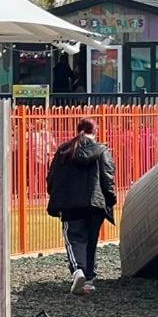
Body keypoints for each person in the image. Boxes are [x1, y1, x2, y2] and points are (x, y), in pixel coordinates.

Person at [46, 118, 116, 296]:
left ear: (78, 130)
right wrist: (110, 199)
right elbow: (108, 177)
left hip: (70, 204)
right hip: (95, 204)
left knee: (74, 239)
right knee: (91, 241)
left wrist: (54, 194)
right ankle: (90, 279)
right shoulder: (101, 150)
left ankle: (78, 271)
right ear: (95, 131)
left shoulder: (64, 150)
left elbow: (52, 176)